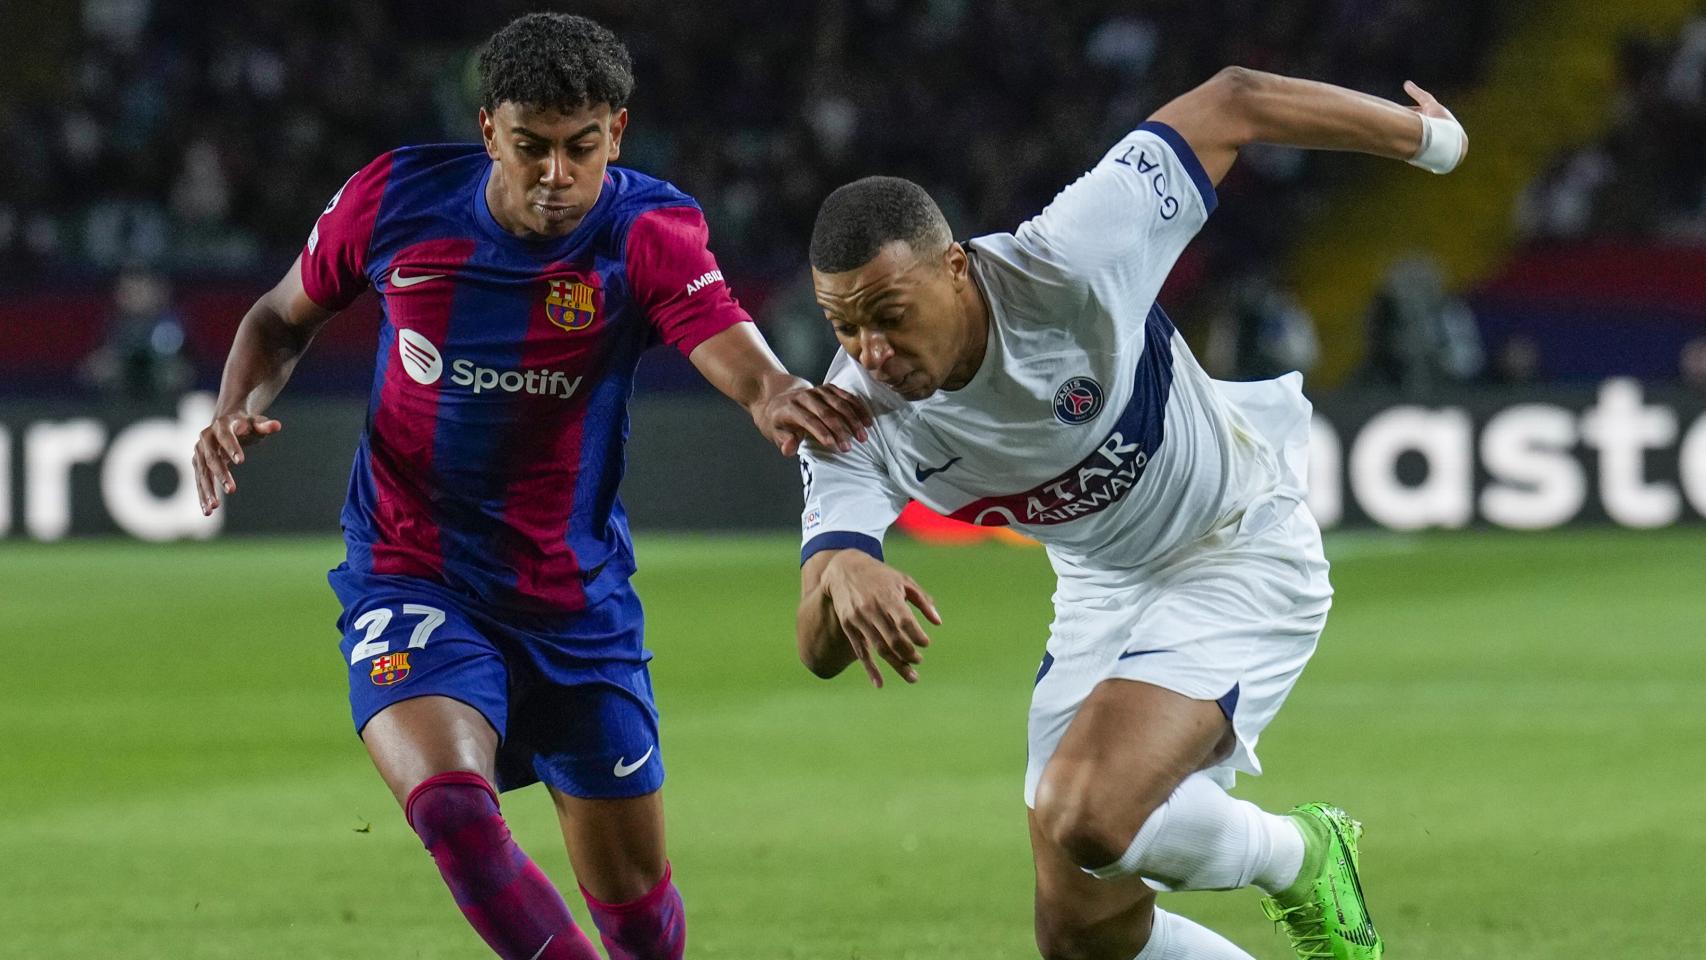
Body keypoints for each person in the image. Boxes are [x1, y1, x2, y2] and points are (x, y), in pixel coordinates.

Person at [191, 14, 869, 960]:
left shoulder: (647, 229)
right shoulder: (395, 199)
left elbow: (735, 352)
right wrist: (233, 406)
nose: (556, 175)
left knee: (635, 911)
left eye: (581, 149)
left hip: (573, 601)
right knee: (455, 815)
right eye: (531, 148)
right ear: (488, 131)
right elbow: (277, 317)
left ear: (616, 135)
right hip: (410, 570)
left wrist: (775, 395)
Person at [795, 68, 1467, 960]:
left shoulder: (1069, 256)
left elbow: (1235, 100)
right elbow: (816, 650)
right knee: (1083, 935)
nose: (872, 352)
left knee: (1090, 814)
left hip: (1235, 544)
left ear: (955, 267)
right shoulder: (852, 416)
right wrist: (843, 571)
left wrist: (1430, 141)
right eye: (844, 327)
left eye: (888, 313)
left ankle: (1304, 855)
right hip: (1100, 592)